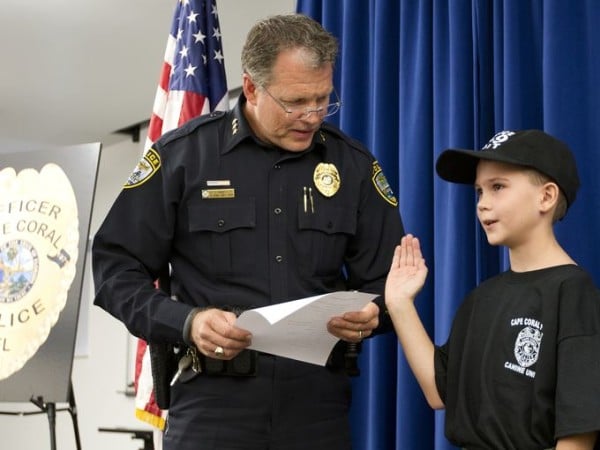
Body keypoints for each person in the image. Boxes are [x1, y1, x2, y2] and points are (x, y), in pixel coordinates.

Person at [92, 13, 404, 450]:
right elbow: (113, 270)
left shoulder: (352, 167)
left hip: (316, 408)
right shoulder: (186, 157)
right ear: (253, 88)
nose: (312, 116)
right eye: (296, 102)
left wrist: (375, 313)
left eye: (323, 100)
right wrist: (187, 322)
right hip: (212, 406)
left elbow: (389, 282)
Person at [385, 129, 600, 449]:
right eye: (479, 192)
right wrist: (400, 303)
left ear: (546, 196)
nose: (483, 204)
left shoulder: (572, 294)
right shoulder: (481, 298)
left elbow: (577, 437)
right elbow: (439, 391)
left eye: (498, 187)